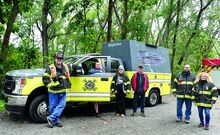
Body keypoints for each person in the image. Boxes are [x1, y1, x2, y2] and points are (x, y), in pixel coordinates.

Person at [42, 51, 71, 128]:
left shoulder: (65, 66)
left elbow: (67, 76)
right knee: (53, 107)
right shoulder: (50, 67)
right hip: (53, 91)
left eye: (61, 59)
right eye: (58, 58)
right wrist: (51, 85)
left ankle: (51, 118)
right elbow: (45, 78)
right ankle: (56, 121)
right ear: (55, 58)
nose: (59, 60)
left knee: (62, 105)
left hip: (63, 90)